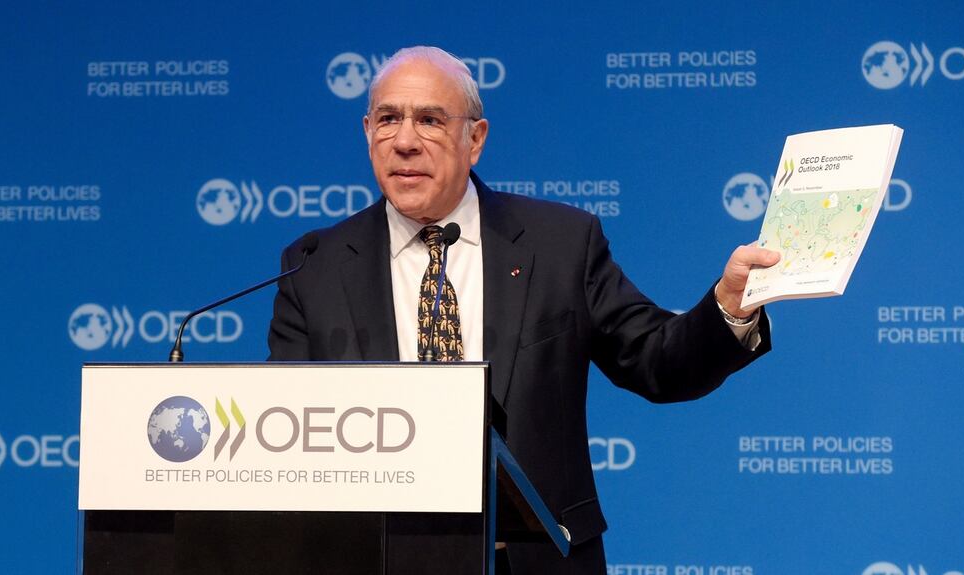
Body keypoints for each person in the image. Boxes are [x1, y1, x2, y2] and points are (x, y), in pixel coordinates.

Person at [268, 46, 780, 575]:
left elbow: (657, 361)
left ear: (476, 139)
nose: (404, 142)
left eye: (430, 120)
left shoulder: (559, 243)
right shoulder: (314, 265)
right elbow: (285, 436)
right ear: (367, 131)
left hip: (531, 562)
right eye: (388, 119)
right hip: (373, 560)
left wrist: (726, 308)